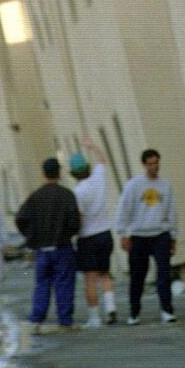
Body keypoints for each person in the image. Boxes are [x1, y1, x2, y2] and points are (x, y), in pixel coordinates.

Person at [16, 157, 81, 333]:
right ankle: (65, 320)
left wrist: (32, 238)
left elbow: (21, 218)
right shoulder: (67, 195)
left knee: (42, 284)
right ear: (59, 173)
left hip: (42, 249)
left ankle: (37, 320)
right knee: (64, 283)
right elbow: (75, 221)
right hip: (62, 247)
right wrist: (68, 233)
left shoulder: (35, 197)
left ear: (43, 173)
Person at [116, 148, 177, 325]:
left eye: (156, 163)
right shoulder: (133, 185)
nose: (153, 167)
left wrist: (173, 236)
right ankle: (134, 312)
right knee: (137, 276)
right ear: (144, 165)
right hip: (139, 235)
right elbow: (124, 209)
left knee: (164, 274)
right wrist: (122, 233)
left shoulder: (165, 185)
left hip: (160, 234)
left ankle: (167, 310)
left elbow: (171, 212)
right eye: (149, 164)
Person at [71, 139, 118, 328]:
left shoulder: (78, 192)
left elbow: (80, 219)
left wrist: (73, 233)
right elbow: (102, 161)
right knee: (105, 274)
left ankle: (94, 318)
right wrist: (92, 147)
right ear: (88, 168)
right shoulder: (99, 178)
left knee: (90, 278)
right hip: (105, 233)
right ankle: (111, 308)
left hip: (88, 237)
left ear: (73, 173)